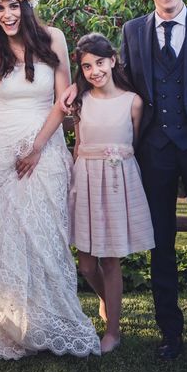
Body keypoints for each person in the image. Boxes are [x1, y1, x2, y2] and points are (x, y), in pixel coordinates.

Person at [61, 0, 187, 362]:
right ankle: (170, 334)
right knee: (162, 245)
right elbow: (117, 80)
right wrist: (76, 87)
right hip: (154, 154)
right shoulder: (132, 31)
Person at [0, 0, 101, 362]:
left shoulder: (52, 37)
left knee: (44, 234)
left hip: (45, 144)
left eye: (13, 6)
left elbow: (64, 100)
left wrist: (37, 148)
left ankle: (49, 322)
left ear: (26, 6)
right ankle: (6, 331)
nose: (7, 15)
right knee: (6, 239)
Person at [68, 33, 155, 354]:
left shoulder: (132, 101)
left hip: (118, 179)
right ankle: (108, 300)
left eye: (100, 63)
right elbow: (78, 144)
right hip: (86, 178)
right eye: (87, 66)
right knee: (87, 265)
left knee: (109, 260)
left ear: (113, 60)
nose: (94, 71)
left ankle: (113, 330)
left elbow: (136, 142)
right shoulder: (81, 100)